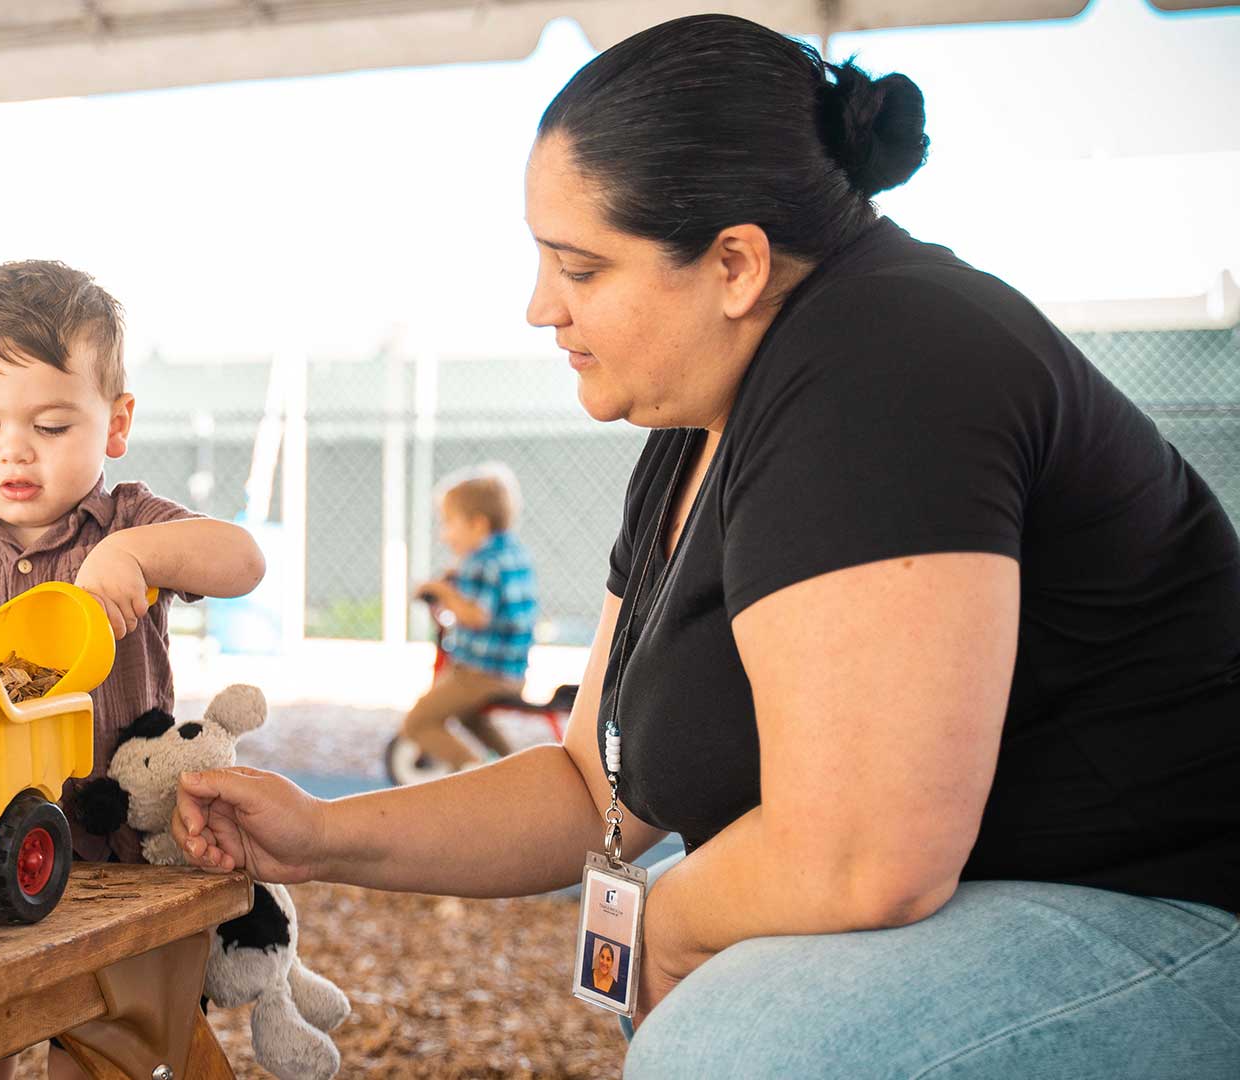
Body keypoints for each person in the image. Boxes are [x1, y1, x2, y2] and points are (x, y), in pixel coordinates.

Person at [171, 15, 1240, 1079]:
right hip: (1010, 894)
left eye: (580, 269)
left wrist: (667, 925)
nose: (540, 306)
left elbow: (869, 856)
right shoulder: (698, 417)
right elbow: (593, 785)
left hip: (1178, 911)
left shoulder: (884, 360)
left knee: (726, 1047)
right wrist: (320, 835)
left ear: (734, 263)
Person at [0, 259, 265, 1080]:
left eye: (50, 425)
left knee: (110, 1050)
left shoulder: (130, 523)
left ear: (115, 423)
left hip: (117, 858)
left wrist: (133, 553)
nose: (14, 452)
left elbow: (242, 560)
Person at [403, 464, 538, 770]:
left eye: (449, 524)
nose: (444, 535)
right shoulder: (512, 552)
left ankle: (474, 770)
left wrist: (442, 590)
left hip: (481, 673)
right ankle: (512, 769)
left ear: (478, 525)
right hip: (511, 672)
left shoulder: (481, 561)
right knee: (468, 717)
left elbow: (476, 616)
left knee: (418, 722)